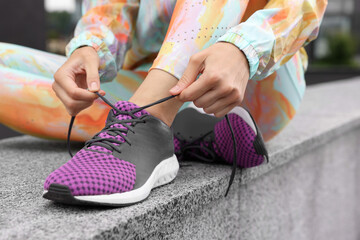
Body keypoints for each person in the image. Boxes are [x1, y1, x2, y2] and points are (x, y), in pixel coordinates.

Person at [0, 0, 327, 206]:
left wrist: (244, 49)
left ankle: (149, 124)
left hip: (254, 78)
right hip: (154, 80)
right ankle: (182, 133)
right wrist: (89, 47)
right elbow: (111, 8)